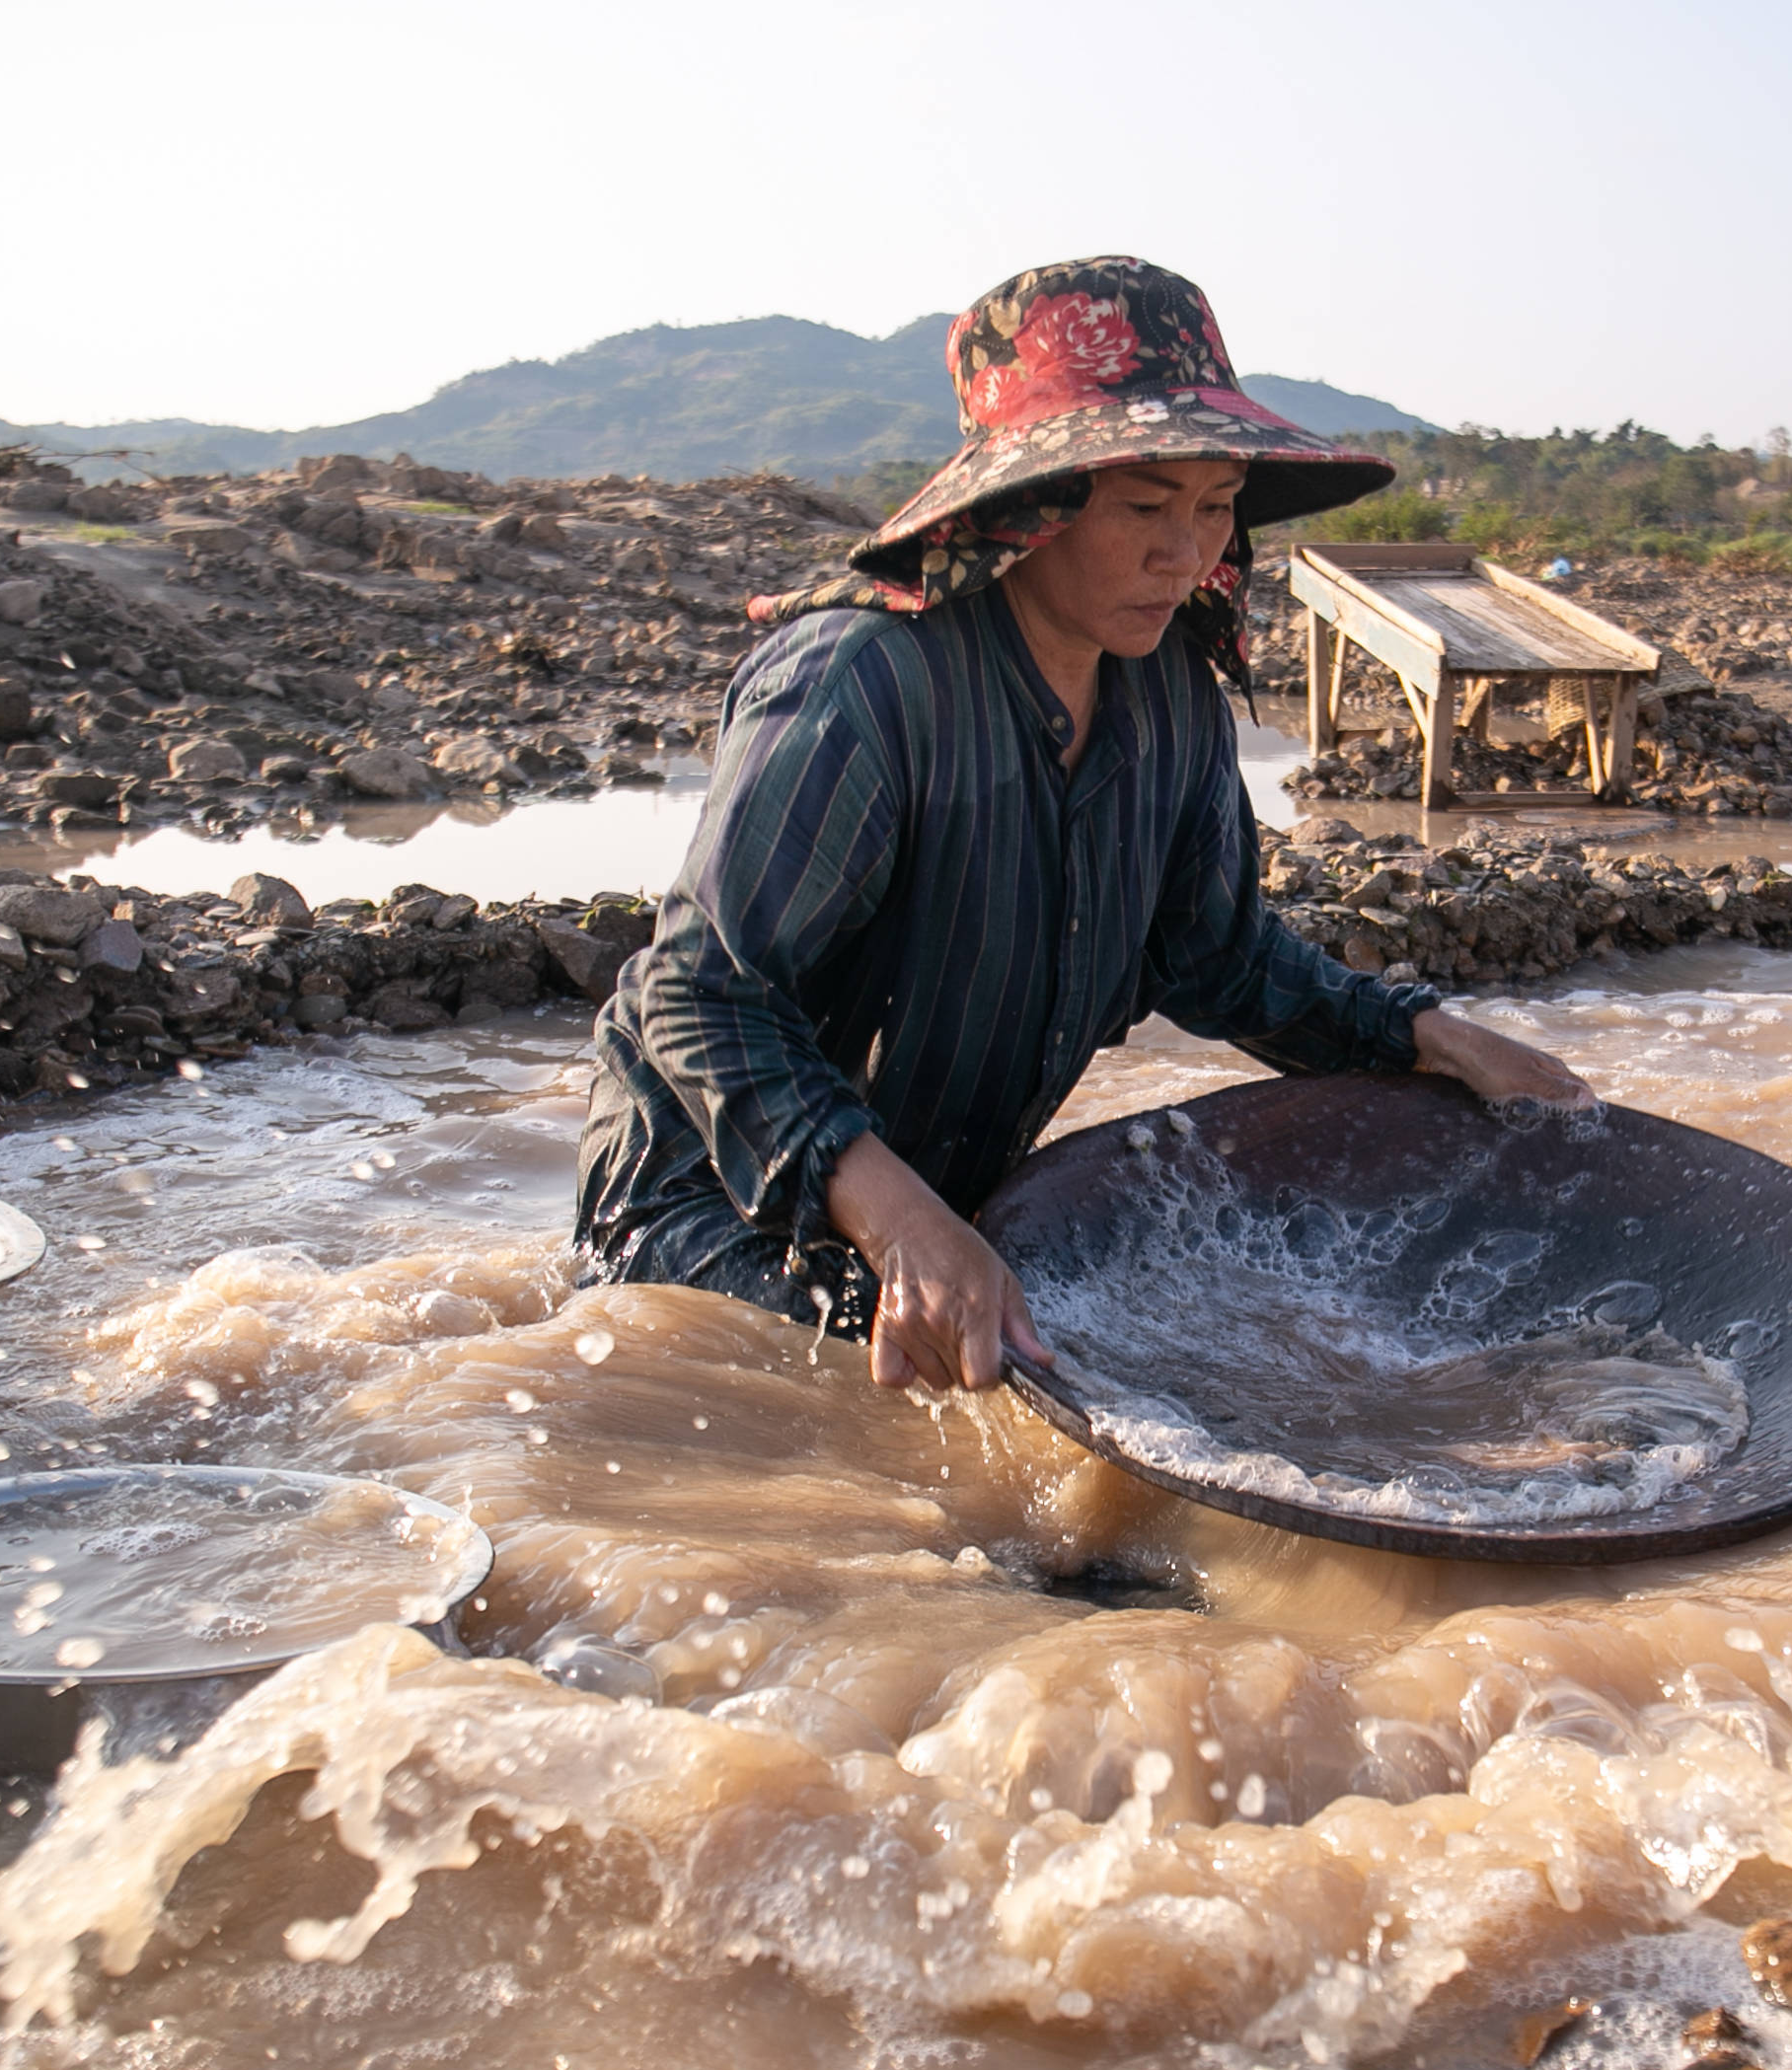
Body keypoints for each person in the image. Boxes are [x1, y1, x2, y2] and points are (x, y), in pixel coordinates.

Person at [572, 257, 1590, 1397]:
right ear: (1028, 512)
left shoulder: (1169, 696)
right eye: (1149, 506)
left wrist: (1434, 1038)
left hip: (934, 1202)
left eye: (1214, 507)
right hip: (707, 1200)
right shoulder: (863, 685)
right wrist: (903, 1222)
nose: (1188, 553)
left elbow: (1220, 959)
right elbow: (698, 993)